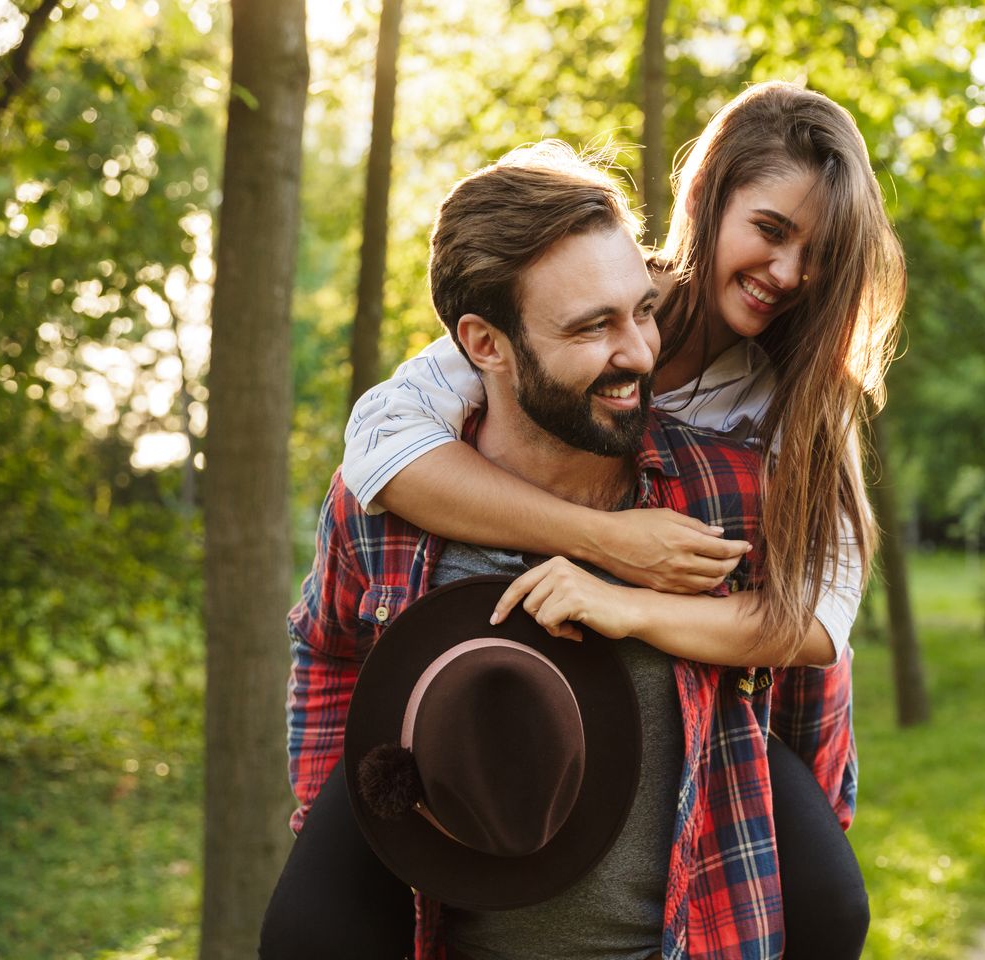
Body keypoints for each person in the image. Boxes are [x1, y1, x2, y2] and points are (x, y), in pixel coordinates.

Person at [263, 141, 864, 960]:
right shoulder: (386, 497)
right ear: (484, 345)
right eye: (592, 328)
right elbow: (327, 646)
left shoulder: (734, 492)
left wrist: (807, 864)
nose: (640, 355)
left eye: (643, 312)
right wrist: (356, 822)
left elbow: (806, 688)